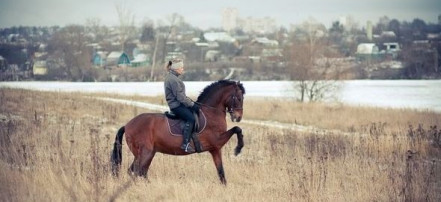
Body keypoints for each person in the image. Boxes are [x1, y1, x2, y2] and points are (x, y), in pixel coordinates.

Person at [164, 59, 200, 153]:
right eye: (181, 67)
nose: (183, 69)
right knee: (191, 118)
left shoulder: (172, 77)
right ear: (176, 68)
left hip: (178, 104)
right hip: (176, 106)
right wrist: (192, 105)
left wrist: (193, 102)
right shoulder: (173, 80)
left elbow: (182, 96)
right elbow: (180, 97)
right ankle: (185, 144)